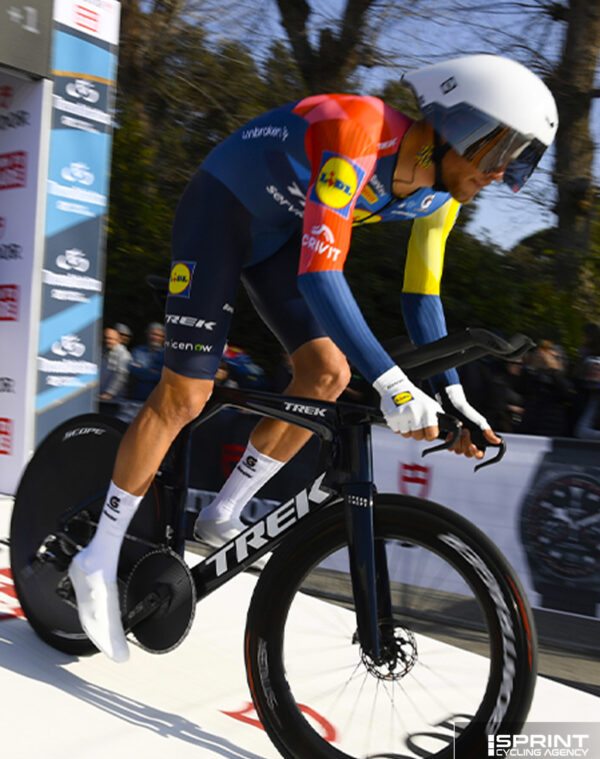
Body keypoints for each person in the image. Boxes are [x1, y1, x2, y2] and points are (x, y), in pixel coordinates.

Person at [68, 54, 558, 661]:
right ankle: (98, 555)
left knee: (328, 374)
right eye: (499, 153)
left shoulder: (441, 199)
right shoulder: (358, 130)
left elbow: (421, 298)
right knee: (185, 395)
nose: (501, 174)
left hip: (279, 235)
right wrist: (395, 386)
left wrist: (457, 397)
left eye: (520, 163)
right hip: (220, 215)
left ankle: (223, 512)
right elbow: (323, 273)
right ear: (459, 125)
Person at [128, 322, 166, 401]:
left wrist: (141, 370)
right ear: (147, 334)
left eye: (159, 336)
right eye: (154, 334)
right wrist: (151, 372)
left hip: (157, 399)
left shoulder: (166, 355)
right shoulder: (138, 351)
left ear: (163, 338)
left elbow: (162, 376)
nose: (156, 338)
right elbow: (131, 369)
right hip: (136, 397)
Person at [98, 327, 132, 402]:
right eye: (105, 338)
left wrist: (109, 393)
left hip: (114, 398)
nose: (107, 341)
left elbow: (121, 375)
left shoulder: (124, 355)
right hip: (99, 396)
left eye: (111, 339)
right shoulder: (100, 351)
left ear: (118, 340)